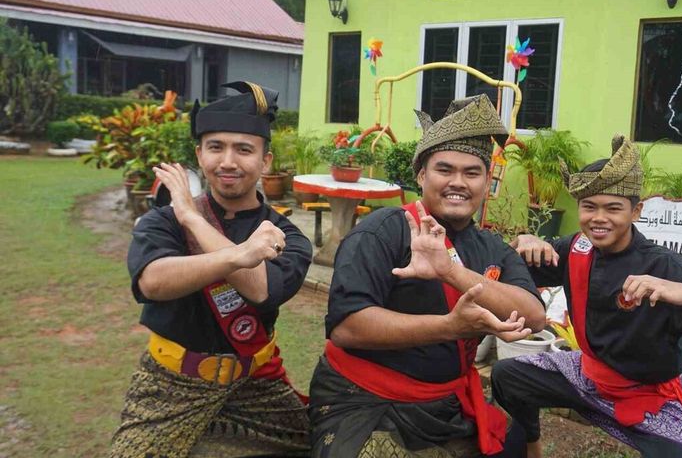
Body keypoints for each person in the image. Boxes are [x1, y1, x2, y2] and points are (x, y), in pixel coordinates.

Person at [308, 94, 546, 458]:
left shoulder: (493, 247)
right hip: (363, 400)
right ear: (421, 175)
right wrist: (450, 326)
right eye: (444, 170)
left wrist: (450, 271)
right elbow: (347, 327)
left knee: (514, 443)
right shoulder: (382, 231)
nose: (458, 182)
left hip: (446, 404)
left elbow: (534, 316)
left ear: (487, 182)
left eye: (472, 173)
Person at [491, 135, 682, 458]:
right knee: (507, 376)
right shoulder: (577, 248)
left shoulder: (663, 266)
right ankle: (529, 445)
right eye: (589, 207)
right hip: (584, 374)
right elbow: (509, 271)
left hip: (646, 394)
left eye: (613, 208)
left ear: (635, 211)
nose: (599, 218)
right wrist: (522, 244)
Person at [110, 81, 313, 458]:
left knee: (320, 443)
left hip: (255, 384)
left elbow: (261, 290)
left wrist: (193, 219)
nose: (228, 162)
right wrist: (238, 253)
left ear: (265, 161)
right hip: (170, 384)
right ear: (199, 154)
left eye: (244, 149)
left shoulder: (284, 233)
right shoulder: (164, 221)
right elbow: (153, 281)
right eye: (216, 147)